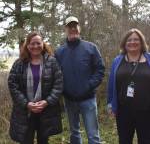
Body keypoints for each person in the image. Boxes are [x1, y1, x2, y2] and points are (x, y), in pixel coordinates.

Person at [55, 16, 105, 144]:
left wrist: (89, 85)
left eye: (75, 26)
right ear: (65, 29)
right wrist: (63, 91)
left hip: (88, 99)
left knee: (93, 135)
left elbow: (100, 70)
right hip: (69, 101)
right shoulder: (59, 52)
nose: (72, 29)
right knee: (74, 134)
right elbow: (55, 75)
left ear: (79, 28)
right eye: (69, 26)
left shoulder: (91, 48)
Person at [8, 32, 63, 144]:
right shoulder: (19, 64)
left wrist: (47, 102)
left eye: (38, 43)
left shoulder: (52, 62)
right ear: (27, 45)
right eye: (32, 43)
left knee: (43, 141)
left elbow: (58, 84)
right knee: (26, 141)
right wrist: (26, 104)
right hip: (25, 112)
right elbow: (13, 86)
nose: (35, 46)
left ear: (43, 44)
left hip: (46, 111)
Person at [107, 28, 150, 144]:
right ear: (124, 43)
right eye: (129, 40)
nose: (132, 42)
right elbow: (111, 84)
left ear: (141, 42)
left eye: (136, 39)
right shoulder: (117, 60)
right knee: (124, 140)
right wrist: (110, 104)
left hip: (146, 111)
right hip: (123, 110)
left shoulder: (149, 59)